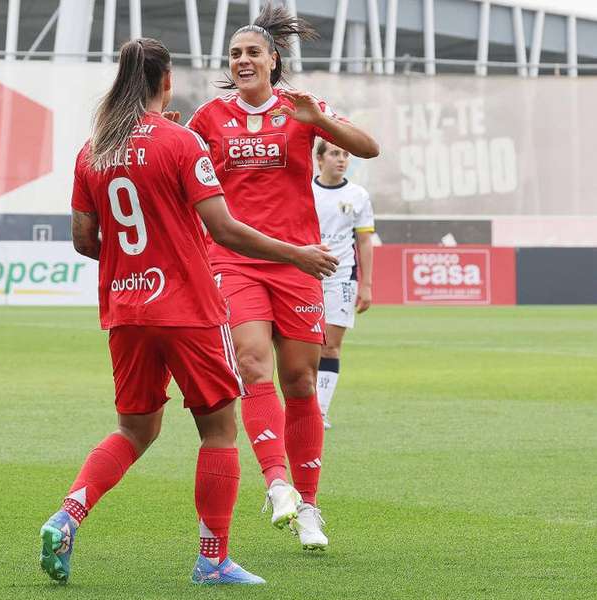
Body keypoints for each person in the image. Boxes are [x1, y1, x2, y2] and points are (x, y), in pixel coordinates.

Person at [38, 38, 337, 586]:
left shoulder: (94, 150)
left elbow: (84, 238)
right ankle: (212, 559)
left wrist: (135, 258)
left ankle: (67, 516)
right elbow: (223, 230)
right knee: (220, 431)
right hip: (188, 309)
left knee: (133, 429)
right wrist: (297, 254)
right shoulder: (180, 142)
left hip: (126, 309)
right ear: (166, 81)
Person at [185, 4, 379, 551]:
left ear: (274, 59)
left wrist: (319, 121)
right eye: (234, 55)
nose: (242, 61)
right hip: (233, 260)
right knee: (252, 363)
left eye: (252, 52)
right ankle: (276, 483)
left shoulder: (301, 109)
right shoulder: (208, 118)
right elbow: (183, 176)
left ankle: (310, 505)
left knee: (300, 383)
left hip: (298, 262)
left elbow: (369, 147)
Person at [313, 141, 375, 429]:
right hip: (306, 274)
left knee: (330, 347)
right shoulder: (305, 191)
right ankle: (305, 405)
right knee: (305, 347)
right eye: (335, 153)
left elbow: (364, 240)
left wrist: (366, 284)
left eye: (345, 154)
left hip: (342, 277)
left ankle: (320, 410)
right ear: (319, 159)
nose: (342, 160)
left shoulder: (358, 196)